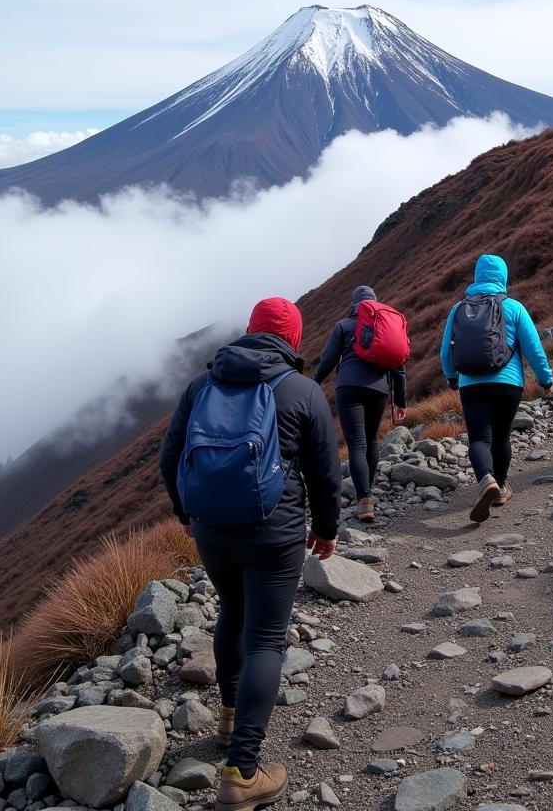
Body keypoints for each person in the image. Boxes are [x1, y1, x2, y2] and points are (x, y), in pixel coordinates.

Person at [159, 297, 341, 810]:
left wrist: (187, 514)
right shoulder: (301, 389)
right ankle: (242, 773)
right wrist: (326, 530)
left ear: (249, 332)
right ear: (294, 340)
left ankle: (229, 716)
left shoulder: (202, 384)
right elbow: (325, 472)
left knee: (231, 612)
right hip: (274, 532)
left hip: (213, 530)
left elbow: (171, 456)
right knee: (266, 641)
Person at [440, 254, 553, 522]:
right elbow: (534, 349)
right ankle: (500, 487)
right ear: (503, 277)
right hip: (508, 384)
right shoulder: (514, 307)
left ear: (477, 277)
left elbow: (446, 351)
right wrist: (546, 379)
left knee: (479, 438)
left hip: (471, 384)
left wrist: (451, 378)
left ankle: (485, 479)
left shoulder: (459, 309)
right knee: (502, 437)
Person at [315, 286, 408, 524]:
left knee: (356, 443)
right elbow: (398, 364)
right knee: (371, 439)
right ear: (374, 304)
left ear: (354, 304)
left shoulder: (344, 326)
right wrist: (401, 401)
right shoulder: (384, 325)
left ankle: (364, 499)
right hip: (377, 390)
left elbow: (328, 359)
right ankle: (367, 492)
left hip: (348, 387)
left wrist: (314, 383)